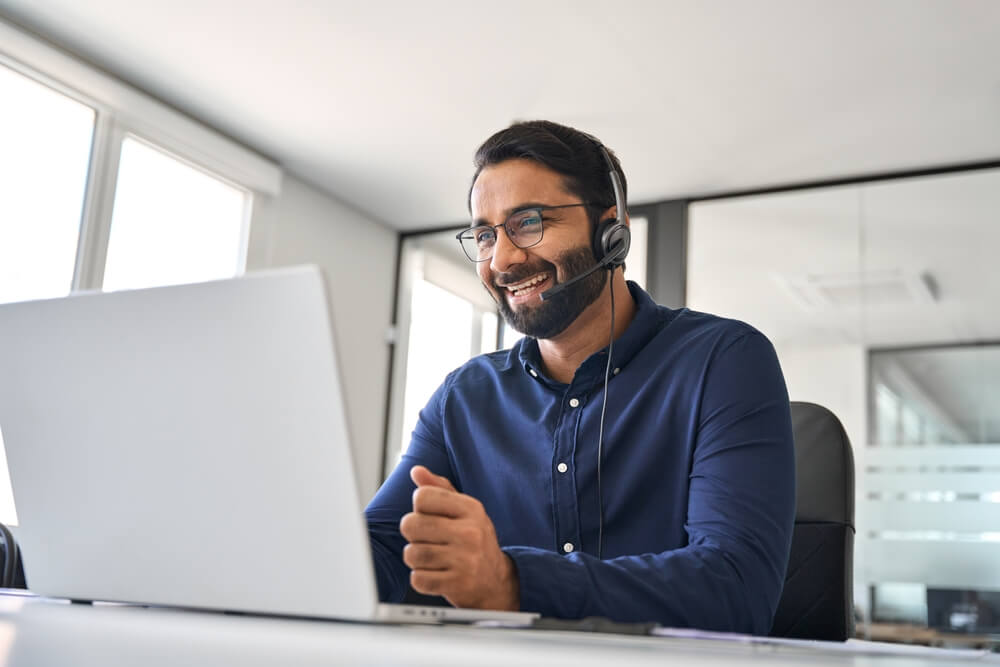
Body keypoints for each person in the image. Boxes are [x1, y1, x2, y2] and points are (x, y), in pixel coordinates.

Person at [365, 120, 795, 634]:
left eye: (528, 222)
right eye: (484, 235)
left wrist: (512, 581)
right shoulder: (464, 397)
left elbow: (736, 588)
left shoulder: (723, 361)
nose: (501, 259)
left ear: (609, 230)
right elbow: (384, 551)